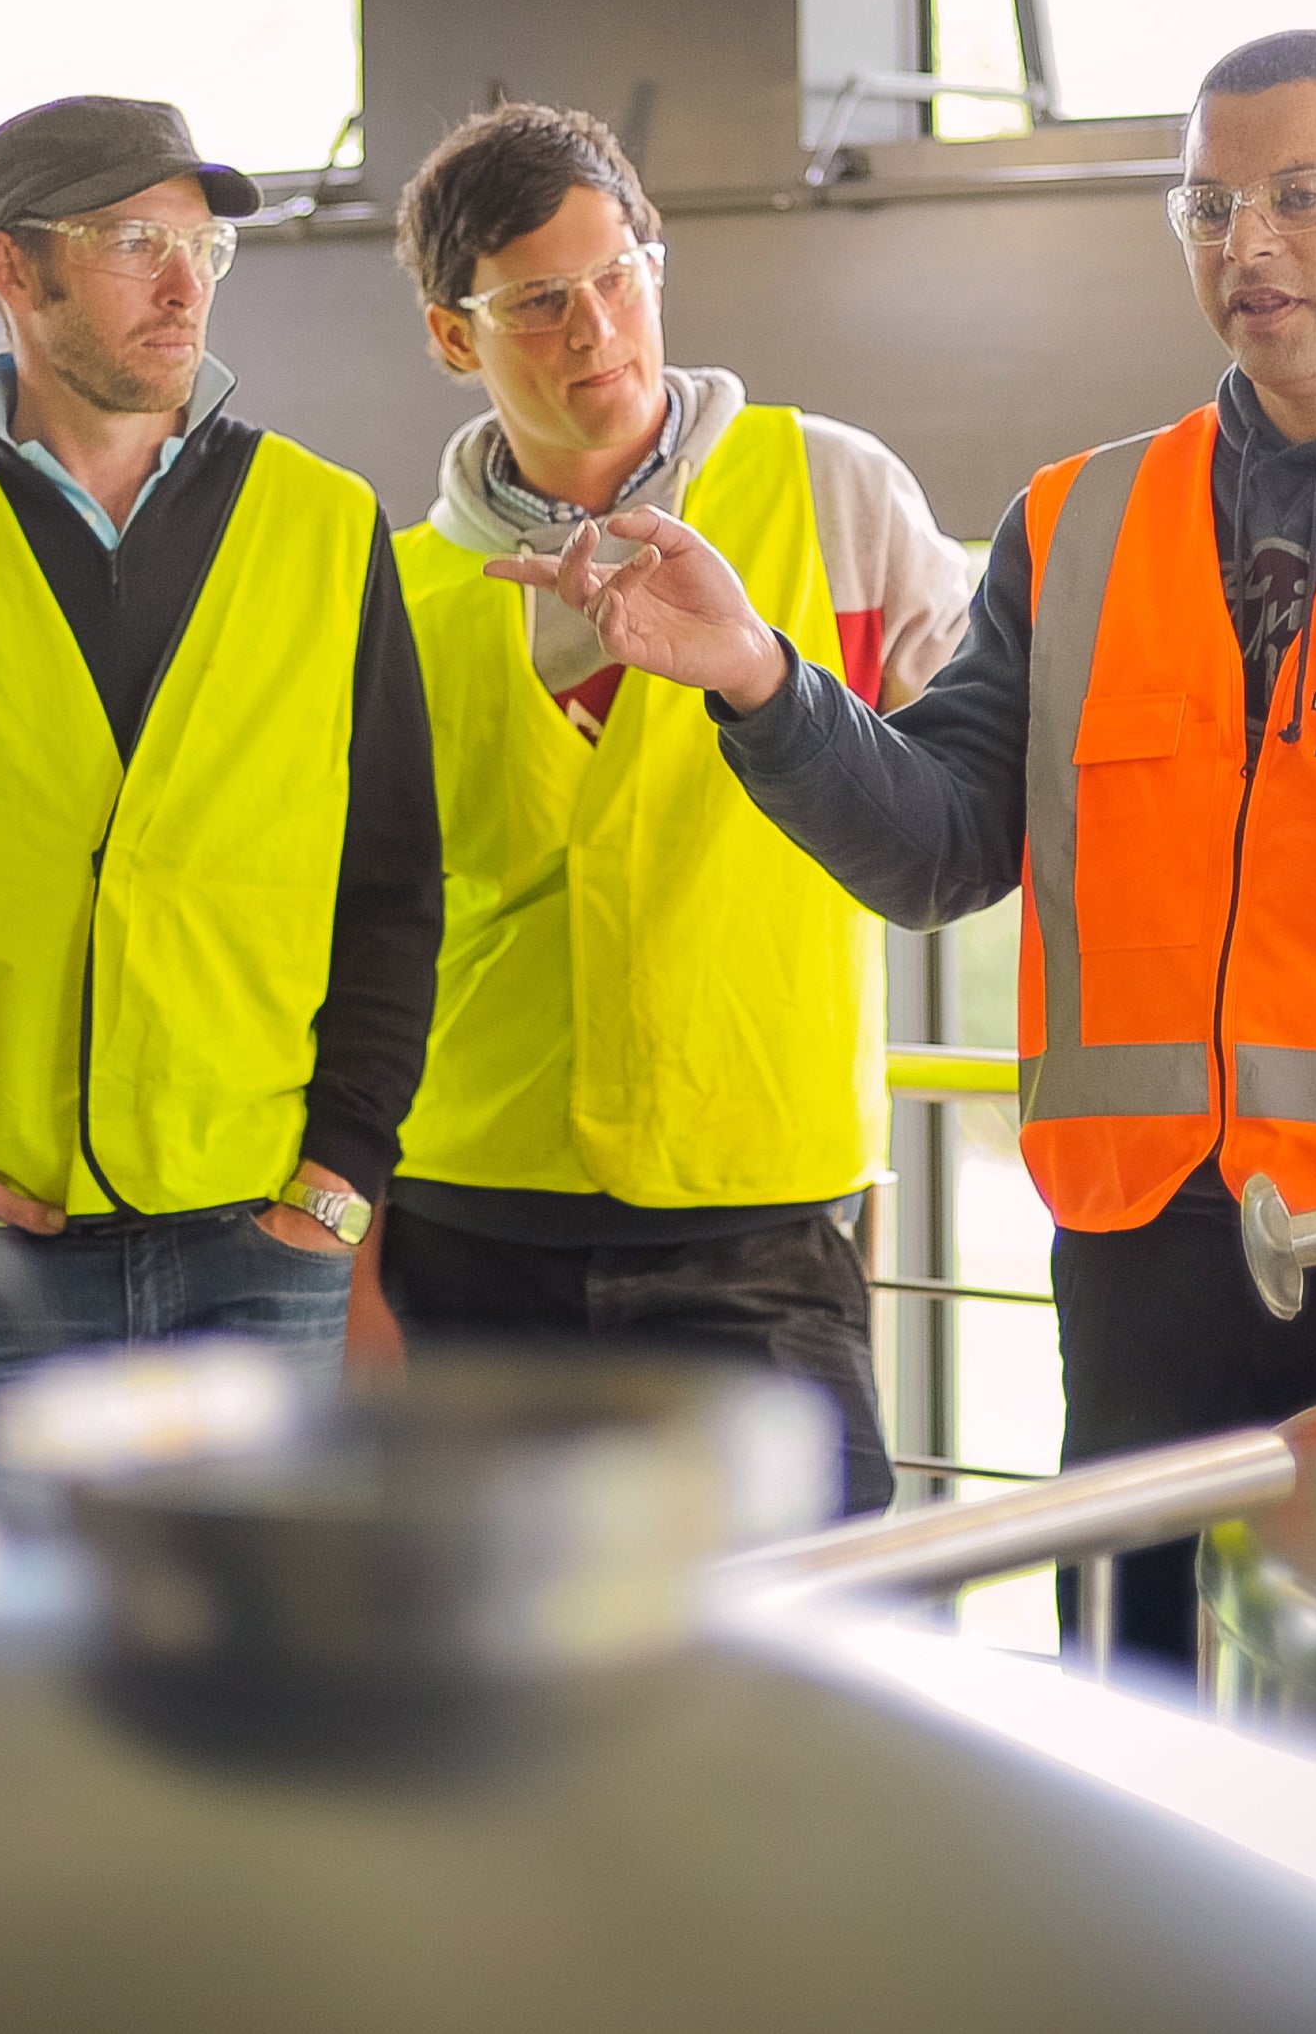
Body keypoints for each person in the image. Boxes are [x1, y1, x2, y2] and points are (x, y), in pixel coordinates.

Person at [494, 30, 1316, 1663]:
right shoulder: (1081, 519)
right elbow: (939, 850)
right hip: (1147, 1271)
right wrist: (765, 680)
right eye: (1206, 206)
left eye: (1300, 196)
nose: (1246, 244)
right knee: (1143, 1741)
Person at [0, 96, 441, 1494]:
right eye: (132, 241)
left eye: (201, 243)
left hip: (263, 1243)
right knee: (1, 1692)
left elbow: (395, 889)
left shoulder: (328, 525)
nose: (186, 283)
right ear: (14, 271)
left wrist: (339, 1173)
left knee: (251, 1689)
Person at [377, 103, 969, 1515]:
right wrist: (355, 1274)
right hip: (465, 1221)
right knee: (501, 1687)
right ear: (455, 337)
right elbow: (351, 945)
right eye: (536, 302)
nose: (594, 329)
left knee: (812, 1657)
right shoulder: (390, 591)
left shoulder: (836, 489)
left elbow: (966, 811)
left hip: (757, 1218)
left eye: (616, 274)